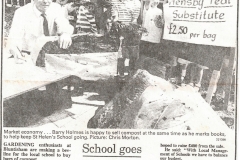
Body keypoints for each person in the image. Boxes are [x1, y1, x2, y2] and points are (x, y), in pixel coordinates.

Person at [8, 0, 74, 66]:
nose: (45, 1)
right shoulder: (22, 13)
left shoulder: (56, 8)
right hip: (29, 57)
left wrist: (65, 33)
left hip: (51, 57)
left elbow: (64, 24)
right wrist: (17, 53)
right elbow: (14, 40)